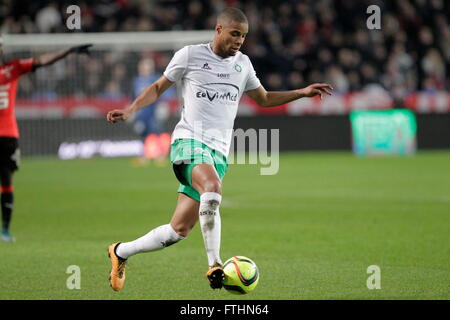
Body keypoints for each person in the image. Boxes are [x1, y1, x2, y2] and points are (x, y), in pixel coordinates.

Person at [106, 7, 333, 291]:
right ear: (219, 30)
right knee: (212, 186)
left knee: (178, 230)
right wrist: (131, 110)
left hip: (218, 154)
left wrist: (300, 92)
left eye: (244, 36)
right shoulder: (190, 55)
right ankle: (215, 263)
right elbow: (158, 86)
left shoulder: (244, 65)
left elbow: (263, 99)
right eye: (235, 34)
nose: (239, 40)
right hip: (188, 142)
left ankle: (120, 251)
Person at [0, 41, 92, 242]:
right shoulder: (12, 68)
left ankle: (5, 230)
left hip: (8, 135)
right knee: (6, 181)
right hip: (8, 135)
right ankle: (5, 231)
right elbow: (42, 61)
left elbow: (41, 61)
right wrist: (68, 50)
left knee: (6, 181)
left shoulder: (12, 67)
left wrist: (67, 50)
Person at [130, 57, 174, 167]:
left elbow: (164, 93)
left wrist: (162, 106)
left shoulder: (155, 78)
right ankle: (143, 156)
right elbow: (133, 97)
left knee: (157, 132)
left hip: (153, 110)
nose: (144, 68)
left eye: (147, 65)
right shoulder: (136, 81)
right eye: (143, 66)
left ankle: (160, 156)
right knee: (142, 134)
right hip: (141, 112)